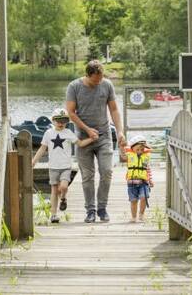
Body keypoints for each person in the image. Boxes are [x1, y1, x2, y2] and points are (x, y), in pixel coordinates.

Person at [66, 60, 126, 223]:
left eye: (100, 79)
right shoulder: (74, 87)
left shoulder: (107, 85)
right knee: (88, 176)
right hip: (83, 138)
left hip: (104, 136)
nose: (98, 82)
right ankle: (90, 210)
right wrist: (87, 130)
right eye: (95, 80)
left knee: (106, 172)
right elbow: (71, 113)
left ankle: (102, 208)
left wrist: (120, 131)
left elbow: (113, 109)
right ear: (88, 75)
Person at [32, 108, 93, 224]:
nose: (60, 123)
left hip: (65, 166)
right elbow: (42, 148)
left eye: (63, 121)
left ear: (67, 122)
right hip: (53, 167)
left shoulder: (68, 133)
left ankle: (63, 198)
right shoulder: (48, 133)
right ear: (53, 121)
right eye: (58, 120)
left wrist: (91, 139)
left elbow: (79, 143)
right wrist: (34, 160)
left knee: (63, 187)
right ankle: (53, 215)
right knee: (54, 191)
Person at [125, 135, 154, 222]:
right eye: (137, 149)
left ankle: (141, 214)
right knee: (133, 201)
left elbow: (148, 170)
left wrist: (150, 180)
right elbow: (123, 152)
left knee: (144, 197)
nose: (140, 151)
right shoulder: (129, 156)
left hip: (143, 182)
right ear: (132, 148)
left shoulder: (145, 157)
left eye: (142, 149)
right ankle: (134, 217)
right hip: (131, 183)